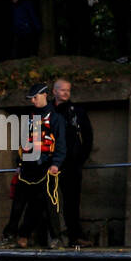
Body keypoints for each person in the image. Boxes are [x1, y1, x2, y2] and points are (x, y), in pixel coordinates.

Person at [0, 83, 67, 248]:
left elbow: (61, 145)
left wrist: (56, 163)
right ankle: (9, 237)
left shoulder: (56, 118)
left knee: (50, 204)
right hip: (27, 168)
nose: (33, 101)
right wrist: (19, 164)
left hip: (46, 167)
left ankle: (56, 238)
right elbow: (23, 144)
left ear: (44, 95)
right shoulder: (29, 119)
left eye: (35, 97)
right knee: (18, 204)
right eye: (31, 98)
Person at [52, 78, 93, 246]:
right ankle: (52, 236)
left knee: (72, 201)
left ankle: (75, 236)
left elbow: (88, 136)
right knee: (46, 200)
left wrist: (80, 158)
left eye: (68, 90)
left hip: (71, 163)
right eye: (62, 90)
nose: (66, 93)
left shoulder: (77, 111)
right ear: (54, 91)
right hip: (51, 162)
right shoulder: (47, 111)